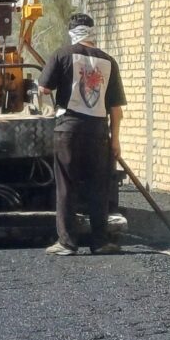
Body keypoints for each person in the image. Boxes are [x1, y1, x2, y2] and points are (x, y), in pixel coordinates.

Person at [38, 13, 126, 255]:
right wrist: (115, 140)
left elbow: (44, 88)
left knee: (66, 186)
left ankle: (67, 242)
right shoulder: (108, 61)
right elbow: (116, 110)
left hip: (69, 130)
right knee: (99, 187)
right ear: (92, 32)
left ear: (72, 31)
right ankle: (99, 241)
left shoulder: (62, 54)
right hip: (99, 132)